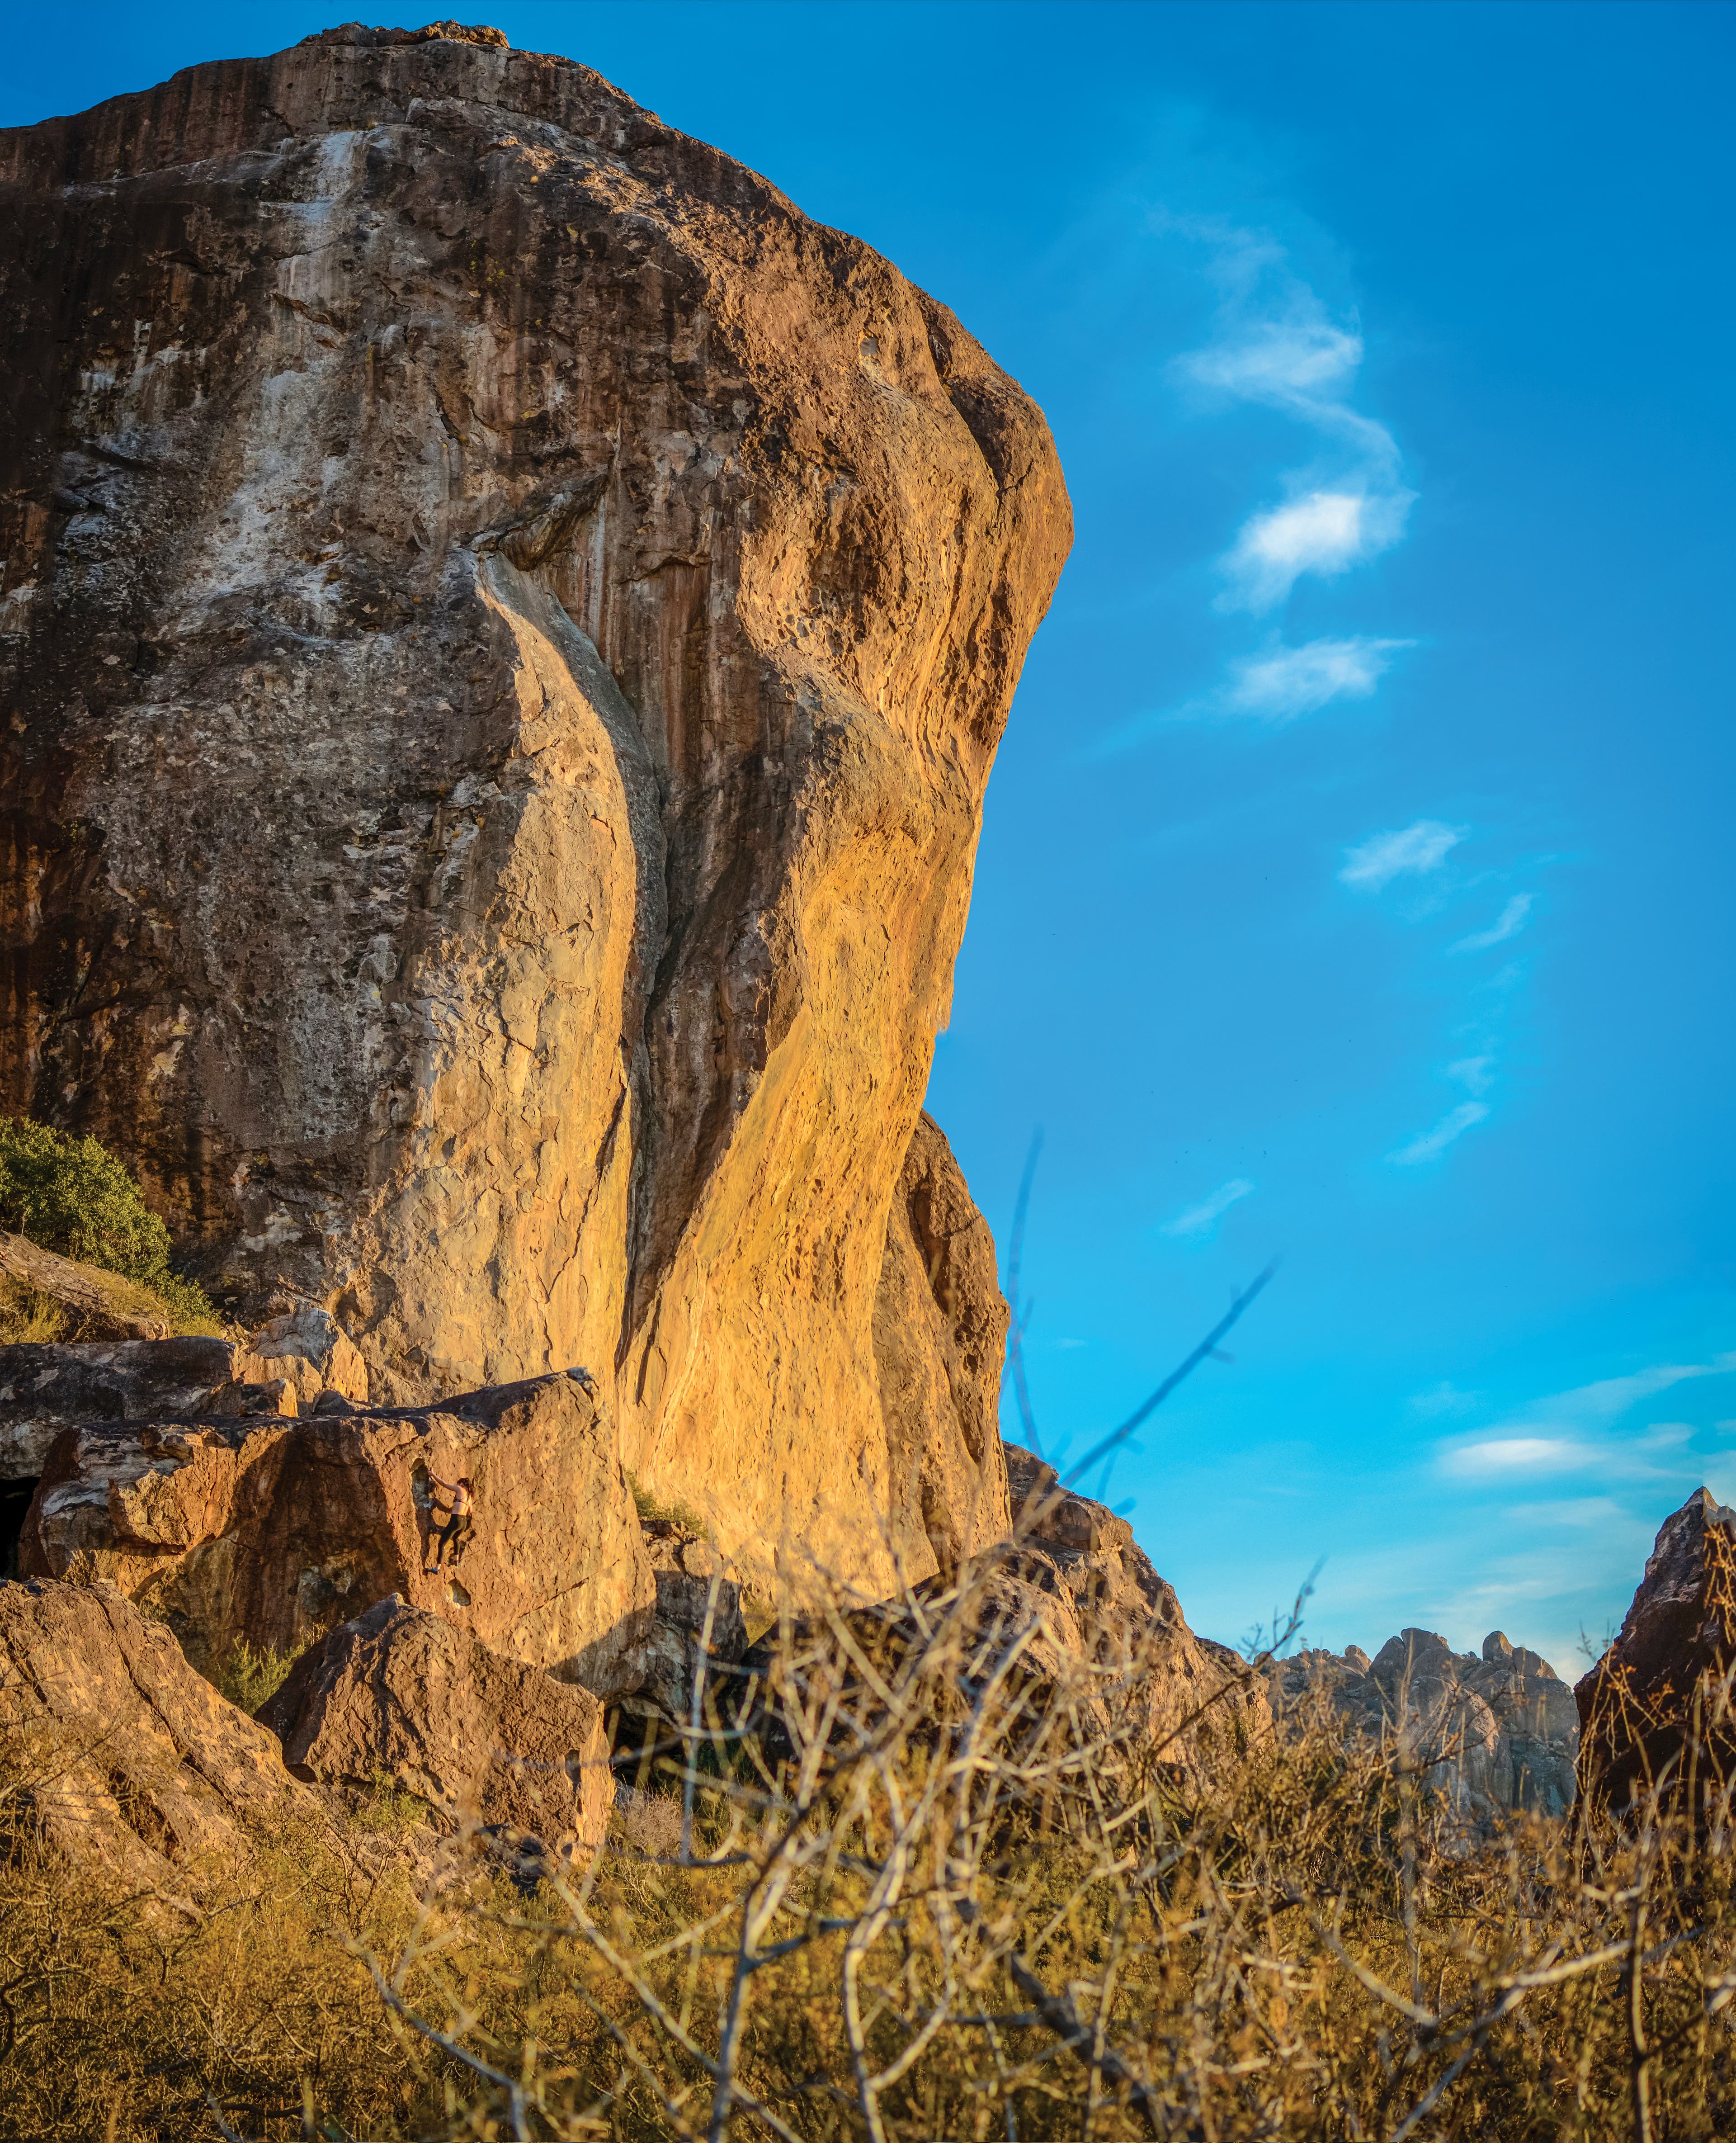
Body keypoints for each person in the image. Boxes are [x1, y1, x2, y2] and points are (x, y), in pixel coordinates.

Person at [426, 1471, 474, 1572]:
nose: (457, 1486)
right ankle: (457, 1560)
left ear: (462, 1485)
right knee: (455, 1538)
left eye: (459, 1484)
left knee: (442, 1544)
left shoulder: (460, 1489)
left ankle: (437, 1568)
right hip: (463, 1522)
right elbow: (470, 1511)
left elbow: (444, 1484)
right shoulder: (469, 1497)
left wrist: (433, 1475)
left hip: (456, 1520)